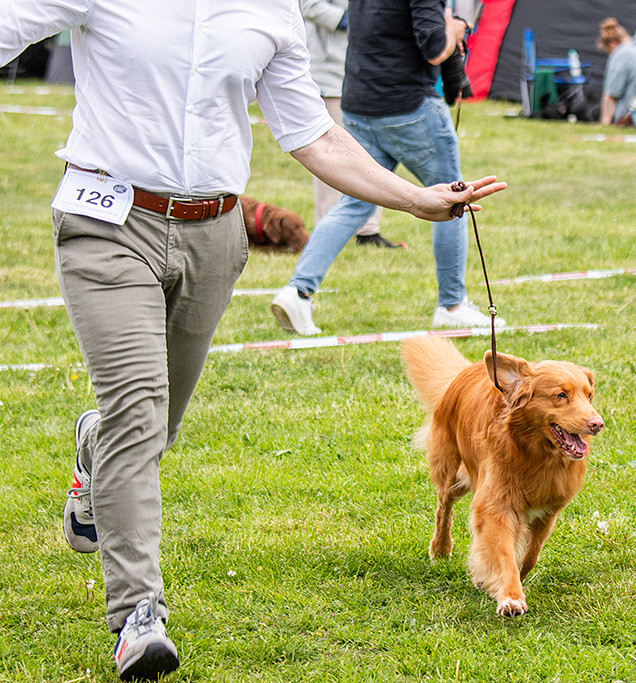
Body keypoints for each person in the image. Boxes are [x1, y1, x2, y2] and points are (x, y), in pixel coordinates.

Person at [0, 1, 504, 679]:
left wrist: (413, 198)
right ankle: (138, 615)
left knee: (153, 427)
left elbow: (314, 135)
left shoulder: (273, 9)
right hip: (107, 222)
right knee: (140, 410)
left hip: (214, 233)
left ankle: (97, 444)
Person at [271, 0, 502, 336]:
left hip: (359, 102)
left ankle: (298, 292)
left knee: (354, 202)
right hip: (409, 106)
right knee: (453, 200)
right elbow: (435, 48)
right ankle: (452, 306)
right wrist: (455, 28)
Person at [300, 0, 406, 249]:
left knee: (373, 153)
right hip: (331, 75)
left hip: (369, 73)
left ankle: (368, 231)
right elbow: (311, 6)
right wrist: (359, 20)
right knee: (330, 156)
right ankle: (326, 230)